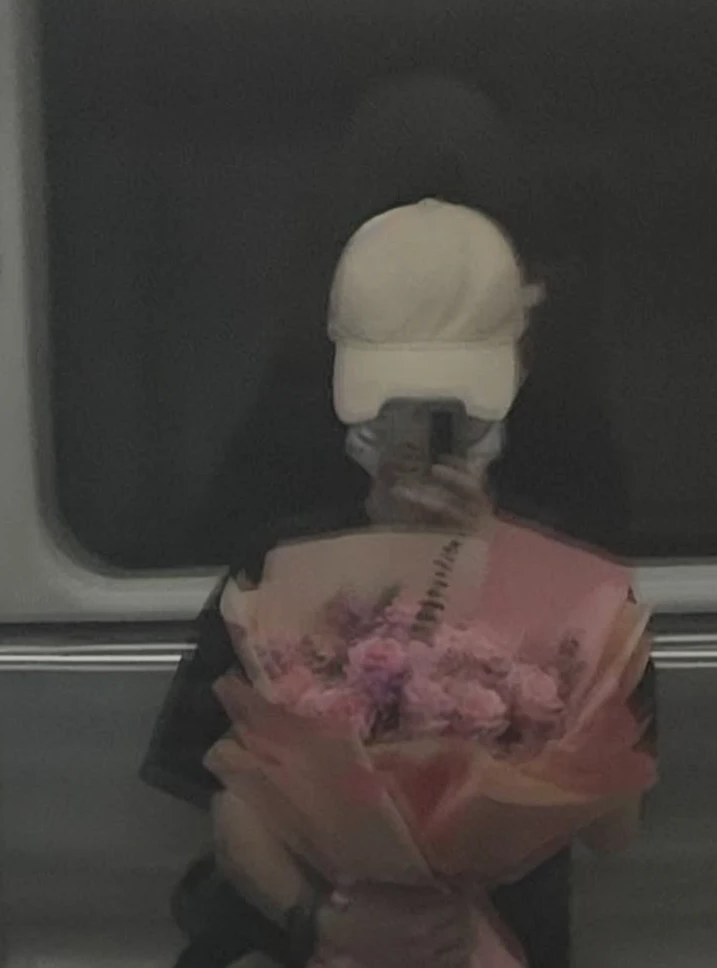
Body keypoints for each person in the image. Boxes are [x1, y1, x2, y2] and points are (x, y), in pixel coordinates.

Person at [142, 199, 657, 968]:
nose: (418, 437)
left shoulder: (573, 582)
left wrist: (515, 598)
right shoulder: (276, 563)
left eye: (451, 414)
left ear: (514, 376)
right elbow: (229, 801)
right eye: (396, 413)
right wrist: (320, 924)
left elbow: (615, 830)